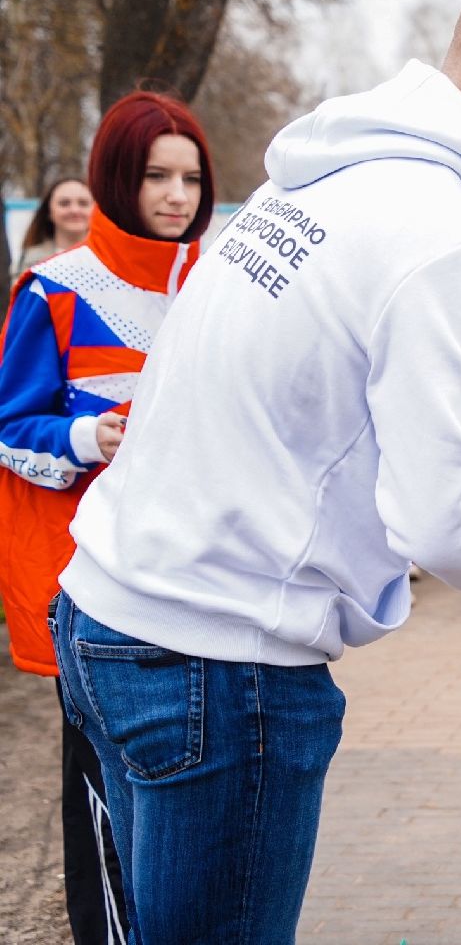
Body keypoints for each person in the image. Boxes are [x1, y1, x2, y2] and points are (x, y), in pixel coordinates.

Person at [51, 0, 461, 942]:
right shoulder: (450, 244)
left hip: (102, 610)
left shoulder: (323, 179)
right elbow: (453, 520)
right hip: (217, 662)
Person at [0, 92, 211, 943]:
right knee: (106, 807)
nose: (176, 195)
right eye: (156, 174)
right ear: (115, 178)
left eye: (192, 177)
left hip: (201, 581)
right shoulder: (53, 291)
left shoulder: (221, 284)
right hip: (91, 595)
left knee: (190, 801)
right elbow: (9, 427)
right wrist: (89, 435)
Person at [16, 177, 94, 274]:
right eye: (64, 203)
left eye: (83, 203)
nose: (74, 210)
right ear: (49, 212)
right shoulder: (29, 262)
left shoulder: (110, 259)